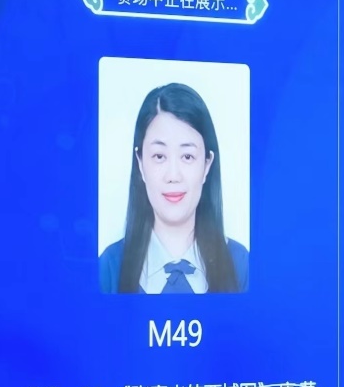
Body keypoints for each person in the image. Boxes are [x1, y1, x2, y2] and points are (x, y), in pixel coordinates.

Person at [99, 82, 248, 294]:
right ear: (140, 163)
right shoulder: (109, 269)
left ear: (207, 165)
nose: (173, 176)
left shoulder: (241, 266)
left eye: (187, 156)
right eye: (159, 156)